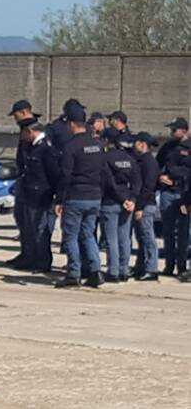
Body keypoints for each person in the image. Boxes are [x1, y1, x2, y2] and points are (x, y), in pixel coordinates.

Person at [54, 103, 113, 288]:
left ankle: (74, 273)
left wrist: (59, 199)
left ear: (71, 124)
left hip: (76, 196)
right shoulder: (97, 145)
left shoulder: (71, 146)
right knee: (88, 234)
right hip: (94, 196)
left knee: (70, 236)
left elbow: (65, 174)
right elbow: (104, 172)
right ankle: (96, 271)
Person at [16, 118, 61, 273]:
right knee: (31, 230)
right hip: (31, 195)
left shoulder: (46, 148)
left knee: (41, 230)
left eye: (24, 133)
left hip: (42, 196)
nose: (22, 137)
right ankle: (33, 259)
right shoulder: (31, 147)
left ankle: (43, 263)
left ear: (30, 132)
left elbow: (54, 174)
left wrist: (57, 197)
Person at [99, 129, 141, 283]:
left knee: (111, 239)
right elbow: (137, 182)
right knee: (124, 238)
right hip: (128, 203)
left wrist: (122, 199)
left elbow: (109, 182)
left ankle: (113, 271)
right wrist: (132, 199)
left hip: (111, 201)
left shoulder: (106, 158)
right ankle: (124, 270)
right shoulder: (131, 160)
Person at [7, 100, 42, 267]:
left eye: (15, 115)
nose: (15, 119)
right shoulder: (25, 127)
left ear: (22, 112)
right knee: (21, 218)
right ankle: (26, 253)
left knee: (31, 222)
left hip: (32, 181)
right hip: (23, 178)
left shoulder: (32, 126)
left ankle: (33, 256)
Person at [158, 122, 191, 277]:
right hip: (167, 193)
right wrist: (160, 178)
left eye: (174, 130)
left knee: (183, 233)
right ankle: (169, 265)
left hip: (184, 194)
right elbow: (158, 165)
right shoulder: (168, 147)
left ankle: (182, 266)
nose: (171, 132)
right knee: (168, 231)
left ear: (184, 130)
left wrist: (177, 182)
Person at [132, 132, 161, 281]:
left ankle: (152, 268)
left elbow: (148, 187)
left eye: (136, 142)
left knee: (148, 238)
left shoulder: (149, 163)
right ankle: (140, 267)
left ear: (142, 144)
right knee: (141, 238)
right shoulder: (140, 160)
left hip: (146, 205)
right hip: (141, 204)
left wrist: (140, 207)